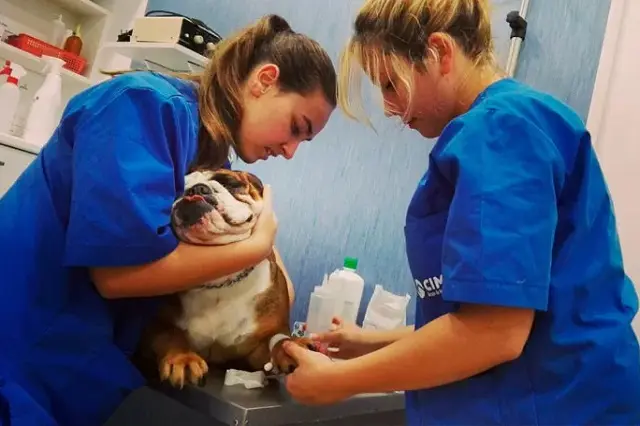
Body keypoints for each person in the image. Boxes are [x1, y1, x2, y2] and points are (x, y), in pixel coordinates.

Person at [281, 0, 640, 424]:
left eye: (391, 84)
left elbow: (494, 333)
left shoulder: (501, 131)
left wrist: (337, 381)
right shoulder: (504, 126)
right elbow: (479, 313)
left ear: (440, 53)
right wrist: (367, 343)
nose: (389, 106)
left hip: (555, 406)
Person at [0, 14, 336, 426]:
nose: (290, 151)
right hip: (21, 334)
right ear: (264, 80)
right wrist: (256, 247)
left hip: (75, 358)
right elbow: (117, 276)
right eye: (296, 128)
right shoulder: (141, 106)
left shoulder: (208, 156)